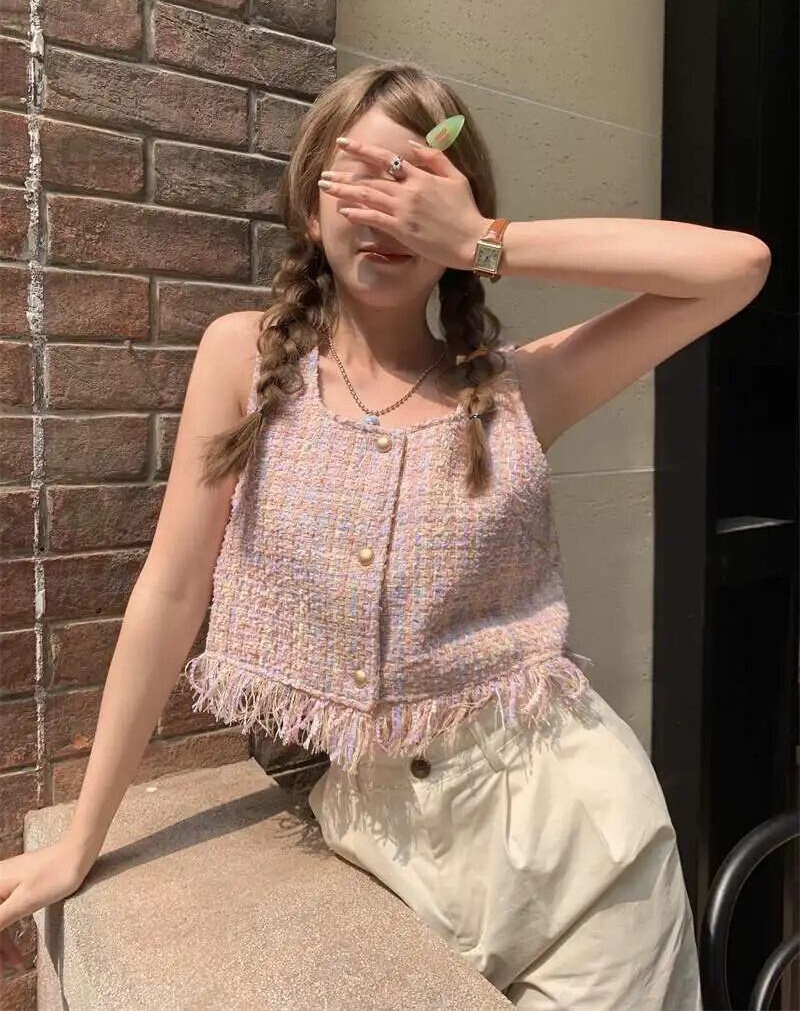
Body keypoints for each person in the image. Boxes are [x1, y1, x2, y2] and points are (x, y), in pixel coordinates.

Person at [0, 62, 771, 1006]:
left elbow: (737, 268)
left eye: (414, 181)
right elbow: (170, 589)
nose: (384, 208)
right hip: (382, 847)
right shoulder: (242, 357)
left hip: (585, 853)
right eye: (356, 178)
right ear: (309, 206)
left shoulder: (519, 389)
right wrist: (82, 839)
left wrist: (486, 241)